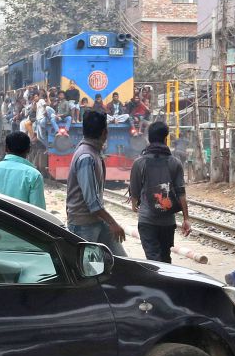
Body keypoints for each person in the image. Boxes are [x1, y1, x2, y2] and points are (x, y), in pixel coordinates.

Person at [65, 109, 127, 256]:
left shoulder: (92, 153)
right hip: (83, 225)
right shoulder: (87, 157)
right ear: (105, 132)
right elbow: (92, 202)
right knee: (88, 270)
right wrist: (113, 223)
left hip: (96, 220)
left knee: (120, 261)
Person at [128, 121, 191, 262]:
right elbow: (181, 192)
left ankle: (157, 283)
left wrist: (134, 206)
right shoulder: (175, 163)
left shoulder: (140, 163)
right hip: (167, 221)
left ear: (149, 139)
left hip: (147, 220)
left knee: (153, 260)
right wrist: (186, 219)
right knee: (165, 258)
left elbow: (135, 191)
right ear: (165, 138)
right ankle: (166, 283)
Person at [0, 130, 46, 209]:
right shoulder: (34, 176)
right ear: (29, 149)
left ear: (6, 149)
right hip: (19, 221)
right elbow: (38, 212)